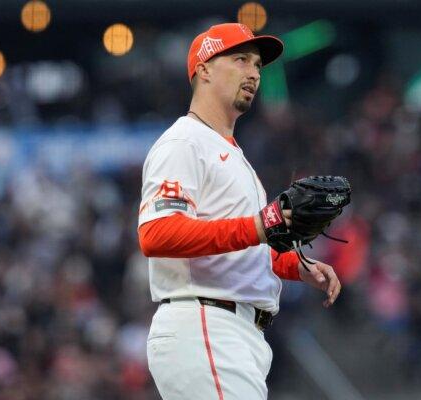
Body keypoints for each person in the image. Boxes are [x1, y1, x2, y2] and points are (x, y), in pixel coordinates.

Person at [137, 23, 342, 400]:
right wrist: (261, 225)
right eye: (240, 59)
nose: (253, 73)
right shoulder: (185, 142)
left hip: (234, 330)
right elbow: (156, 235)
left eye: (258, 66)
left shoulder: (231, 153)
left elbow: (244, 243)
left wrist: (294, 267)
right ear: (204, 69)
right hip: (206, 322)